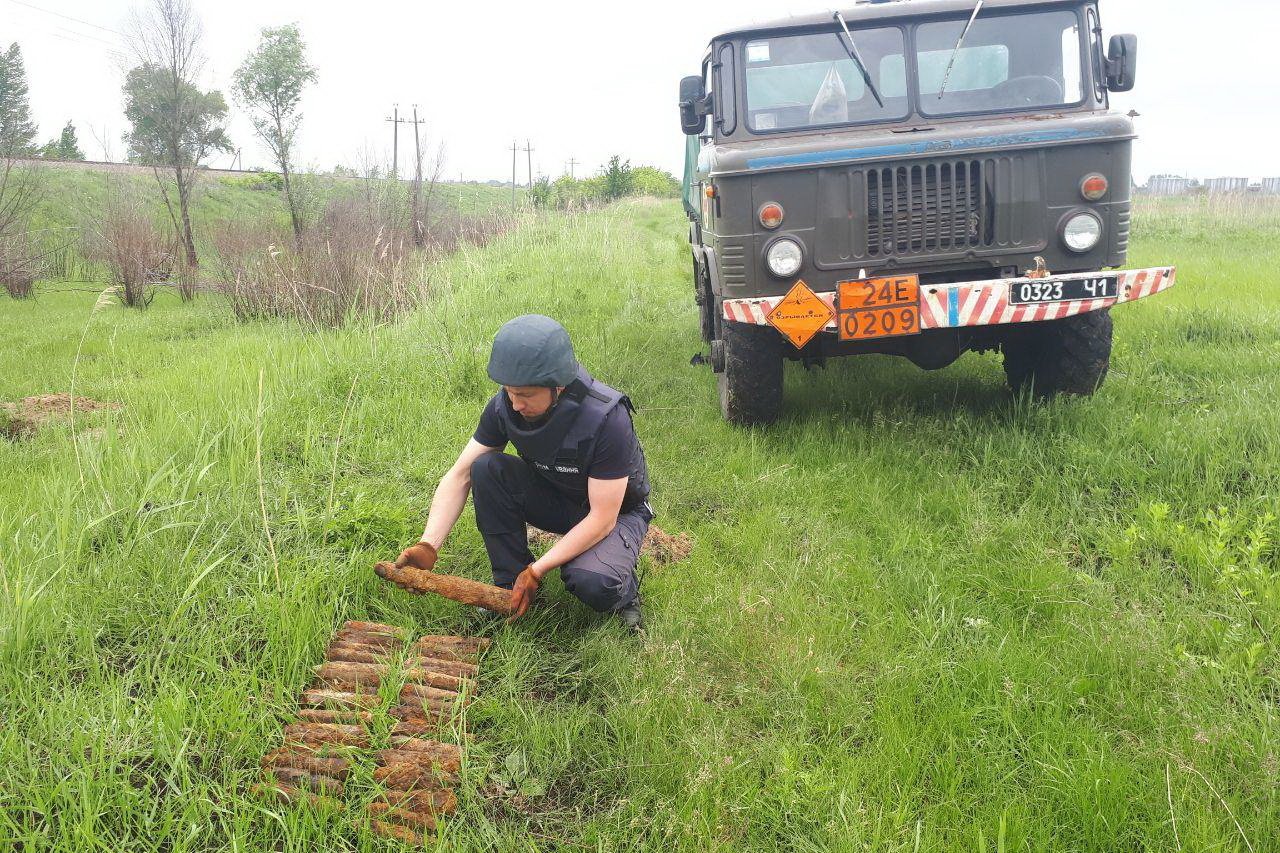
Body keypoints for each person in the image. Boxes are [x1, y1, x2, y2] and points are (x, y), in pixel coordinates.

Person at [392, 315, 652, 629]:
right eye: (509, 392)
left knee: (591, 582)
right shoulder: (504, 407)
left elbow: (602, 518)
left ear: (559, 385)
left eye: (526, 395)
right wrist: (428, 544)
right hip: (558, 499)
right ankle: (507, 585)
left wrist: (538, 570)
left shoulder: (607, 418)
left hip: (615, 514)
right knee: (485, 467)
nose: (515, 404)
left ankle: (625, 593)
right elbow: (460, 474)